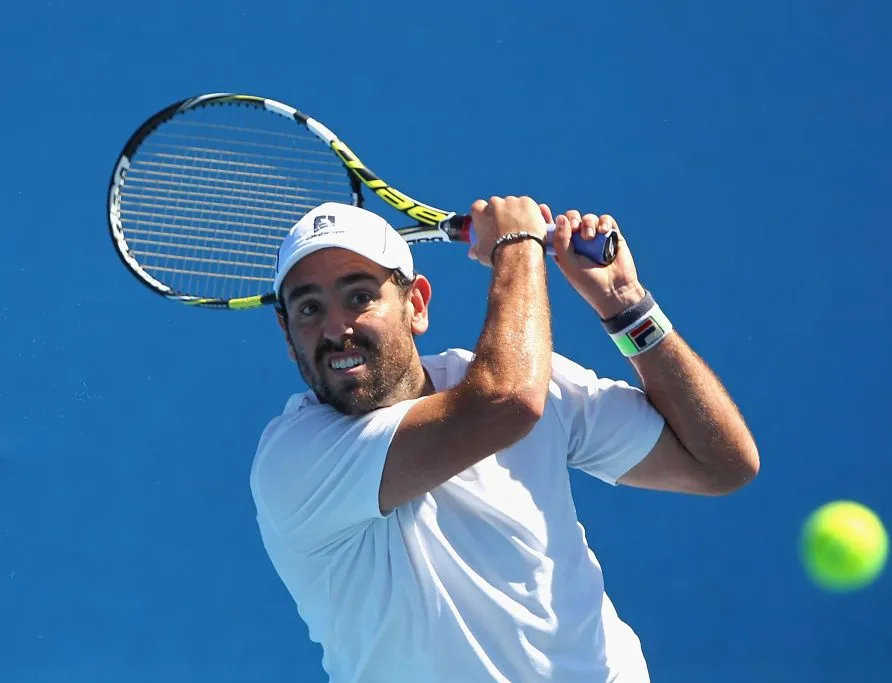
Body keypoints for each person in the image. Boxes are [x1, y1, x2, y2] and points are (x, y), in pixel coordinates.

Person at [250, 196, 759, 683]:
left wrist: (625, 304)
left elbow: (720, 464)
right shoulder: (291, 461)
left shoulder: (529, 380)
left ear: (416, 305)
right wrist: (517, 244)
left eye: (359, 297)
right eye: (309, 309)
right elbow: (506, 402)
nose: (335, 329)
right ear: (288, 335)